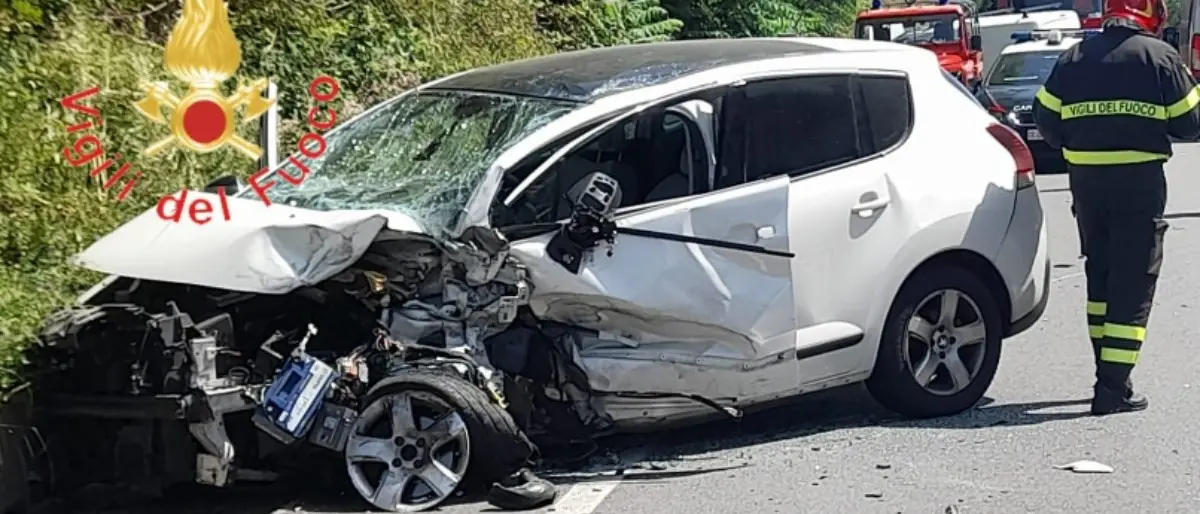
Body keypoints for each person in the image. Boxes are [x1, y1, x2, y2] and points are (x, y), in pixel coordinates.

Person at [1033, 0, 1200, 415]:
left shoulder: (1073, 56)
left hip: (1087, 186)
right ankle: (1112, 388)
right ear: (1150, 13)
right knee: (1133, 281)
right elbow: (1191, 123)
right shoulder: (1158, 56)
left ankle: (1105, 371)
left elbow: (1046, 123)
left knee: (1102, 277)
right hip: (1139, 184)